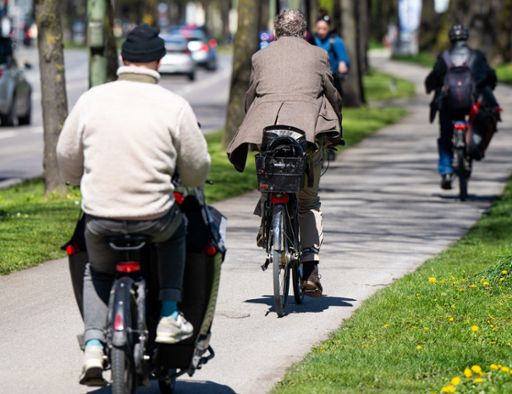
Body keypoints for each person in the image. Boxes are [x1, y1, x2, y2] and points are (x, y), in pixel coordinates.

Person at [56, 24, 211, 386]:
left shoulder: (91, 100)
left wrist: (75, 176)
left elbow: (66, 156)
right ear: (159, 60)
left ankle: (94, 344)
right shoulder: (174, 105)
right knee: (176, 234)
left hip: (101, 218)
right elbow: (197, 166)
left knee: (98, 271)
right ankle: (170, 313)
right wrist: (188, 180)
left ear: (123, 59)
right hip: (154, 216)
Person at [227, 9, 342, 297]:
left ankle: (269, 219)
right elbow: (331, 93)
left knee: (270, 177)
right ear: (304, 31)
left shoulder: (261, 56)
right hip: (305, 136)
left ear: (276, 31)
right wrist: (334, 127)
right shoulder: (318, 54)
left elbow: (251, 95)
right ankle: (310, 269)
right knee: (307, 201)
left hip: (268, 132)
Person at [425, 24, 501, 190]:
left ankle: (446, 171)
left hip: (448, 104)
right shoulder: (476, 56)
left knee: (445, 137)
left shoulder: (444, 58)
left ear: (450, 38)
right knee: (476, 124)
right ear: (466, 37)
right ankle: (472, 149)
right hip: (470, 103)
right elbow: (490, 75)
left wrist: (431, 88)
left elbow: (432, 80)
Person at [313, 13, 350, 97]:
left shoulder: (335, 40)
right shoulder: (313, 40)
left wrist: (342, 63)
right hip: (316, 78)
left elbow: (343, 57)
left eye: (324, 29)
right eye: (319, 28)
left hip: (332, 79)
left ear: (329, 28)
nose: (321, 31)